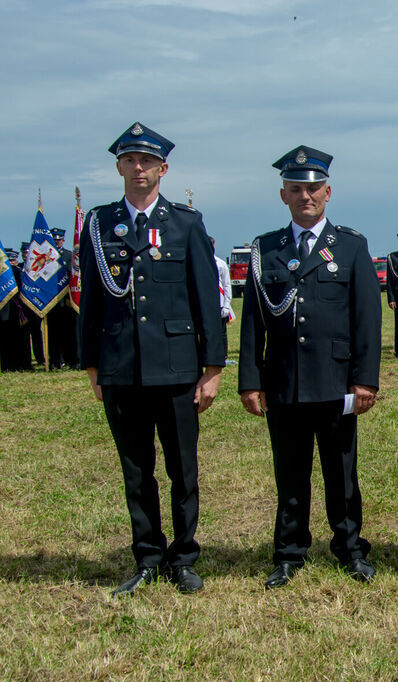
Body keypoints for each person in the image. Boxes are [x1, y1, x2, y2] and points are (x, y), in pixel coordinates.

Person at [78, 122, 225, 595]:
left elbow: (206, 298)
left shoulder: (185, 223)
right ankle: (146, 557)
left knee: (183, 467)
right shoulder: (99, 225)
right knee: (136, 468)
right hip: (121, 366)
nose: (138, 169)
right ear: (119, 166)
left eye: (147, 161)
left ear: (163, 168)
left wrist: (213, 369)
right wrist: (92, 365)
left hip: (178, 366)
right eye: (129, 160)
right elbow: (94, 302)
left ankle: (183, 557)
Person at [238, 145, 382, 588]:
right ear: (283, 195)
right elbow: (252, 323)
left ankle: (350, 547)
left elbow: (367, 321)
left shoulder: (352, 247)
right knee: (290, 472)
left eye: (314, 188)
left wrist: (365, 380)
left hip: (336, 380)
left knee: (342, 472)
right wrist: (250, 381)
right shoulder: (266, 249)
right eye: (296, 189)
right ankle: (289, 551)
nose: (306, 196)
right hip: (283, 380)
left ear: (328, 192)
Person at [47, 227, 79, 369]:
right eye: (54, 240)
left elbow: (74, 278)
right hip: (52, 302)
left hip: (67, 302)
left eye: (58, 240)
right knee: (53, 334)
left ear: (63, 241)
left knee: (69, 334)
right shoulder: (46, 257)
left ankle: (72, 360)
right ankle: (54, 361)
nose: (56, 242)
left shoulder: (69, 256)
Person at [210, 236, 233, 348]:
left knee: (221, 332)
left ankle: (223, 353)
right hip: (206, 303)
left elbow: (226, 285)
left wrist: (226, 305)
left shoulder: (220, 263)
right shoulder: (199, 262)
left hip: (220, 302)